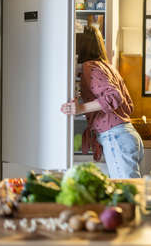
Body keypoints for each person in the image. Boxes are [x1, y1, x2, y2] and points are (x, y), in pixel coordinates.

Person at [60, 26, 144, 178]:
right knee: (129, 191)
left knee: (126, 194)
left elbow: (115, 96)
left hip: (116, 137)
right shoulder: (107, 67)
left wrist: (80, 108)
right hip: (127, 135)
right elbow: (129, 105)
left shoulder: (90, 67)